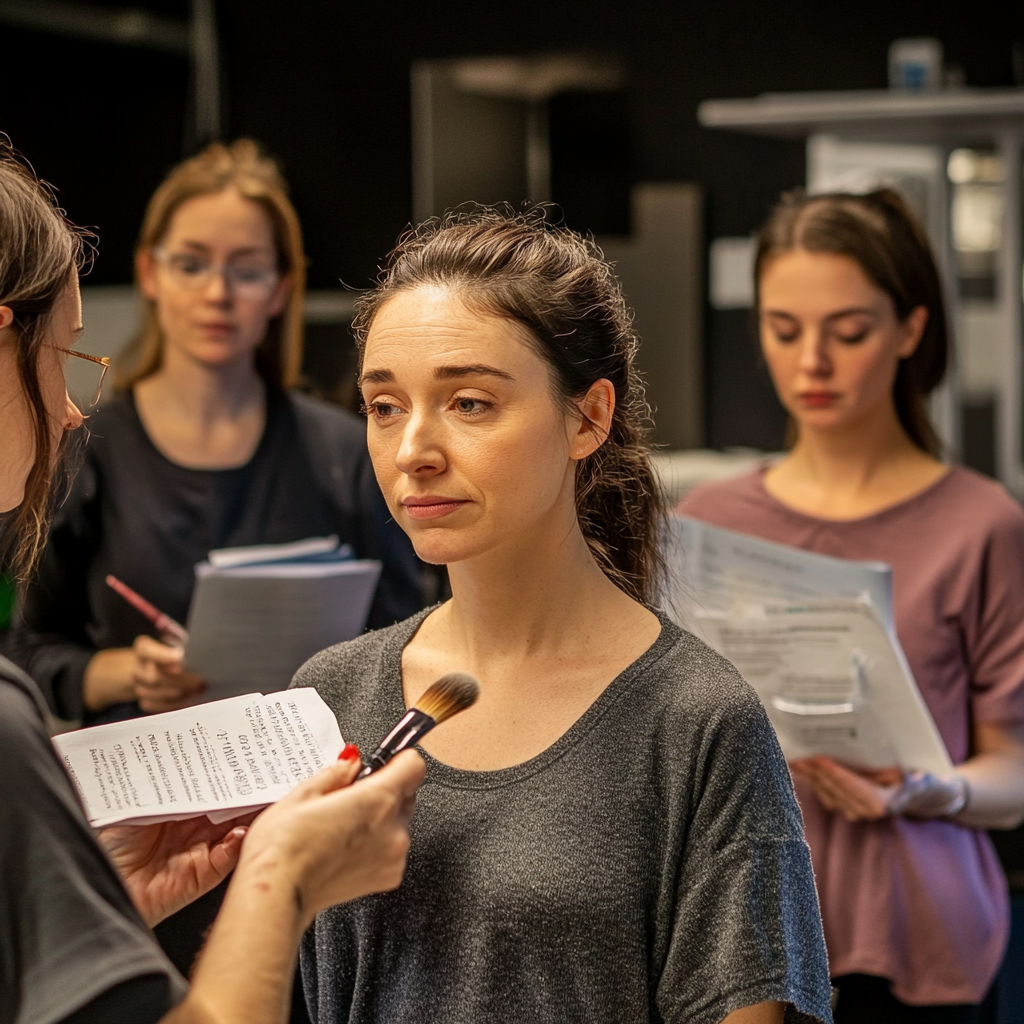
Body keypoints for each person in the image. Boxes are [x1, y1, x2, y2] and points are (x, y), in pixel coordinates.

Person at [290, 208, 833, 1024]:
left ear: (589, 417)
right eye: (384, 407)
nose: (414, 450)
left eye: (469, 402)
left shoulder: (698, 724)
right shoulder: (328, 694)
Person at [0, 135, 425, 1024]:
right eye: (67, 355)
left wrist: (97, 905)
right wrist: (279, 878)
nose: (70, 408)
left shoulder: (338, 454)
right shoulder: (9, 726)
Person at [681, 189, 1024, 1022]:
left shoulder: (983, 525)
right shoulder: (706, 523)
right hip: (743, 932)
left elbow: (1011, 775)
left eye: (849, 332)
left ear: (910, 330)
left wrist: (927, 788)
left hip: (920, 933)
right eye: (784, 330)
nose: (812, 365)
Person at [12, 138, 423, 728]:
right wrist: (123, 672)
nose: (217, 293)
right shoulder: (82, 446)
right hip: (145, 778)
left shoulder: (348, 451)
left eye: (247, 270)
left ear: (281, 288)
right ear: (150, 273)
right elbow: (24, 650)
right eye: (191, 263)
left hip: (311, 775)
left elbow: (410, 638)